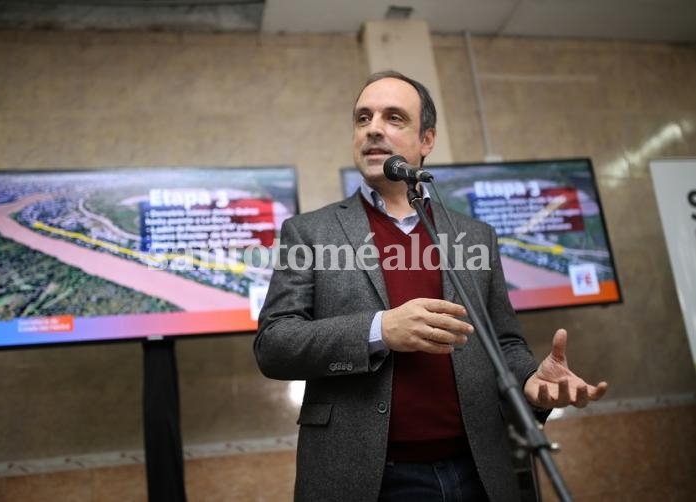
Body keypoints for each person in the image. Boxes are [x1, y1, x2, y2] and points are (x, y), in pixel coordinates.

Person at [253, 70, 607, 502]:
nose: (373, 128)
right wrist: (379, 330)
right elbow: (274, 344)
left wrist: (532, 380)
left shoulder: (475, 236)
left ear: (426, 141)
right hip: (365, 479)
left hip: (478, 469)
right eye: (363, 118)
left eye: (394, 118)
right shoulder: (310, 232)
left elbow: (504, 344)